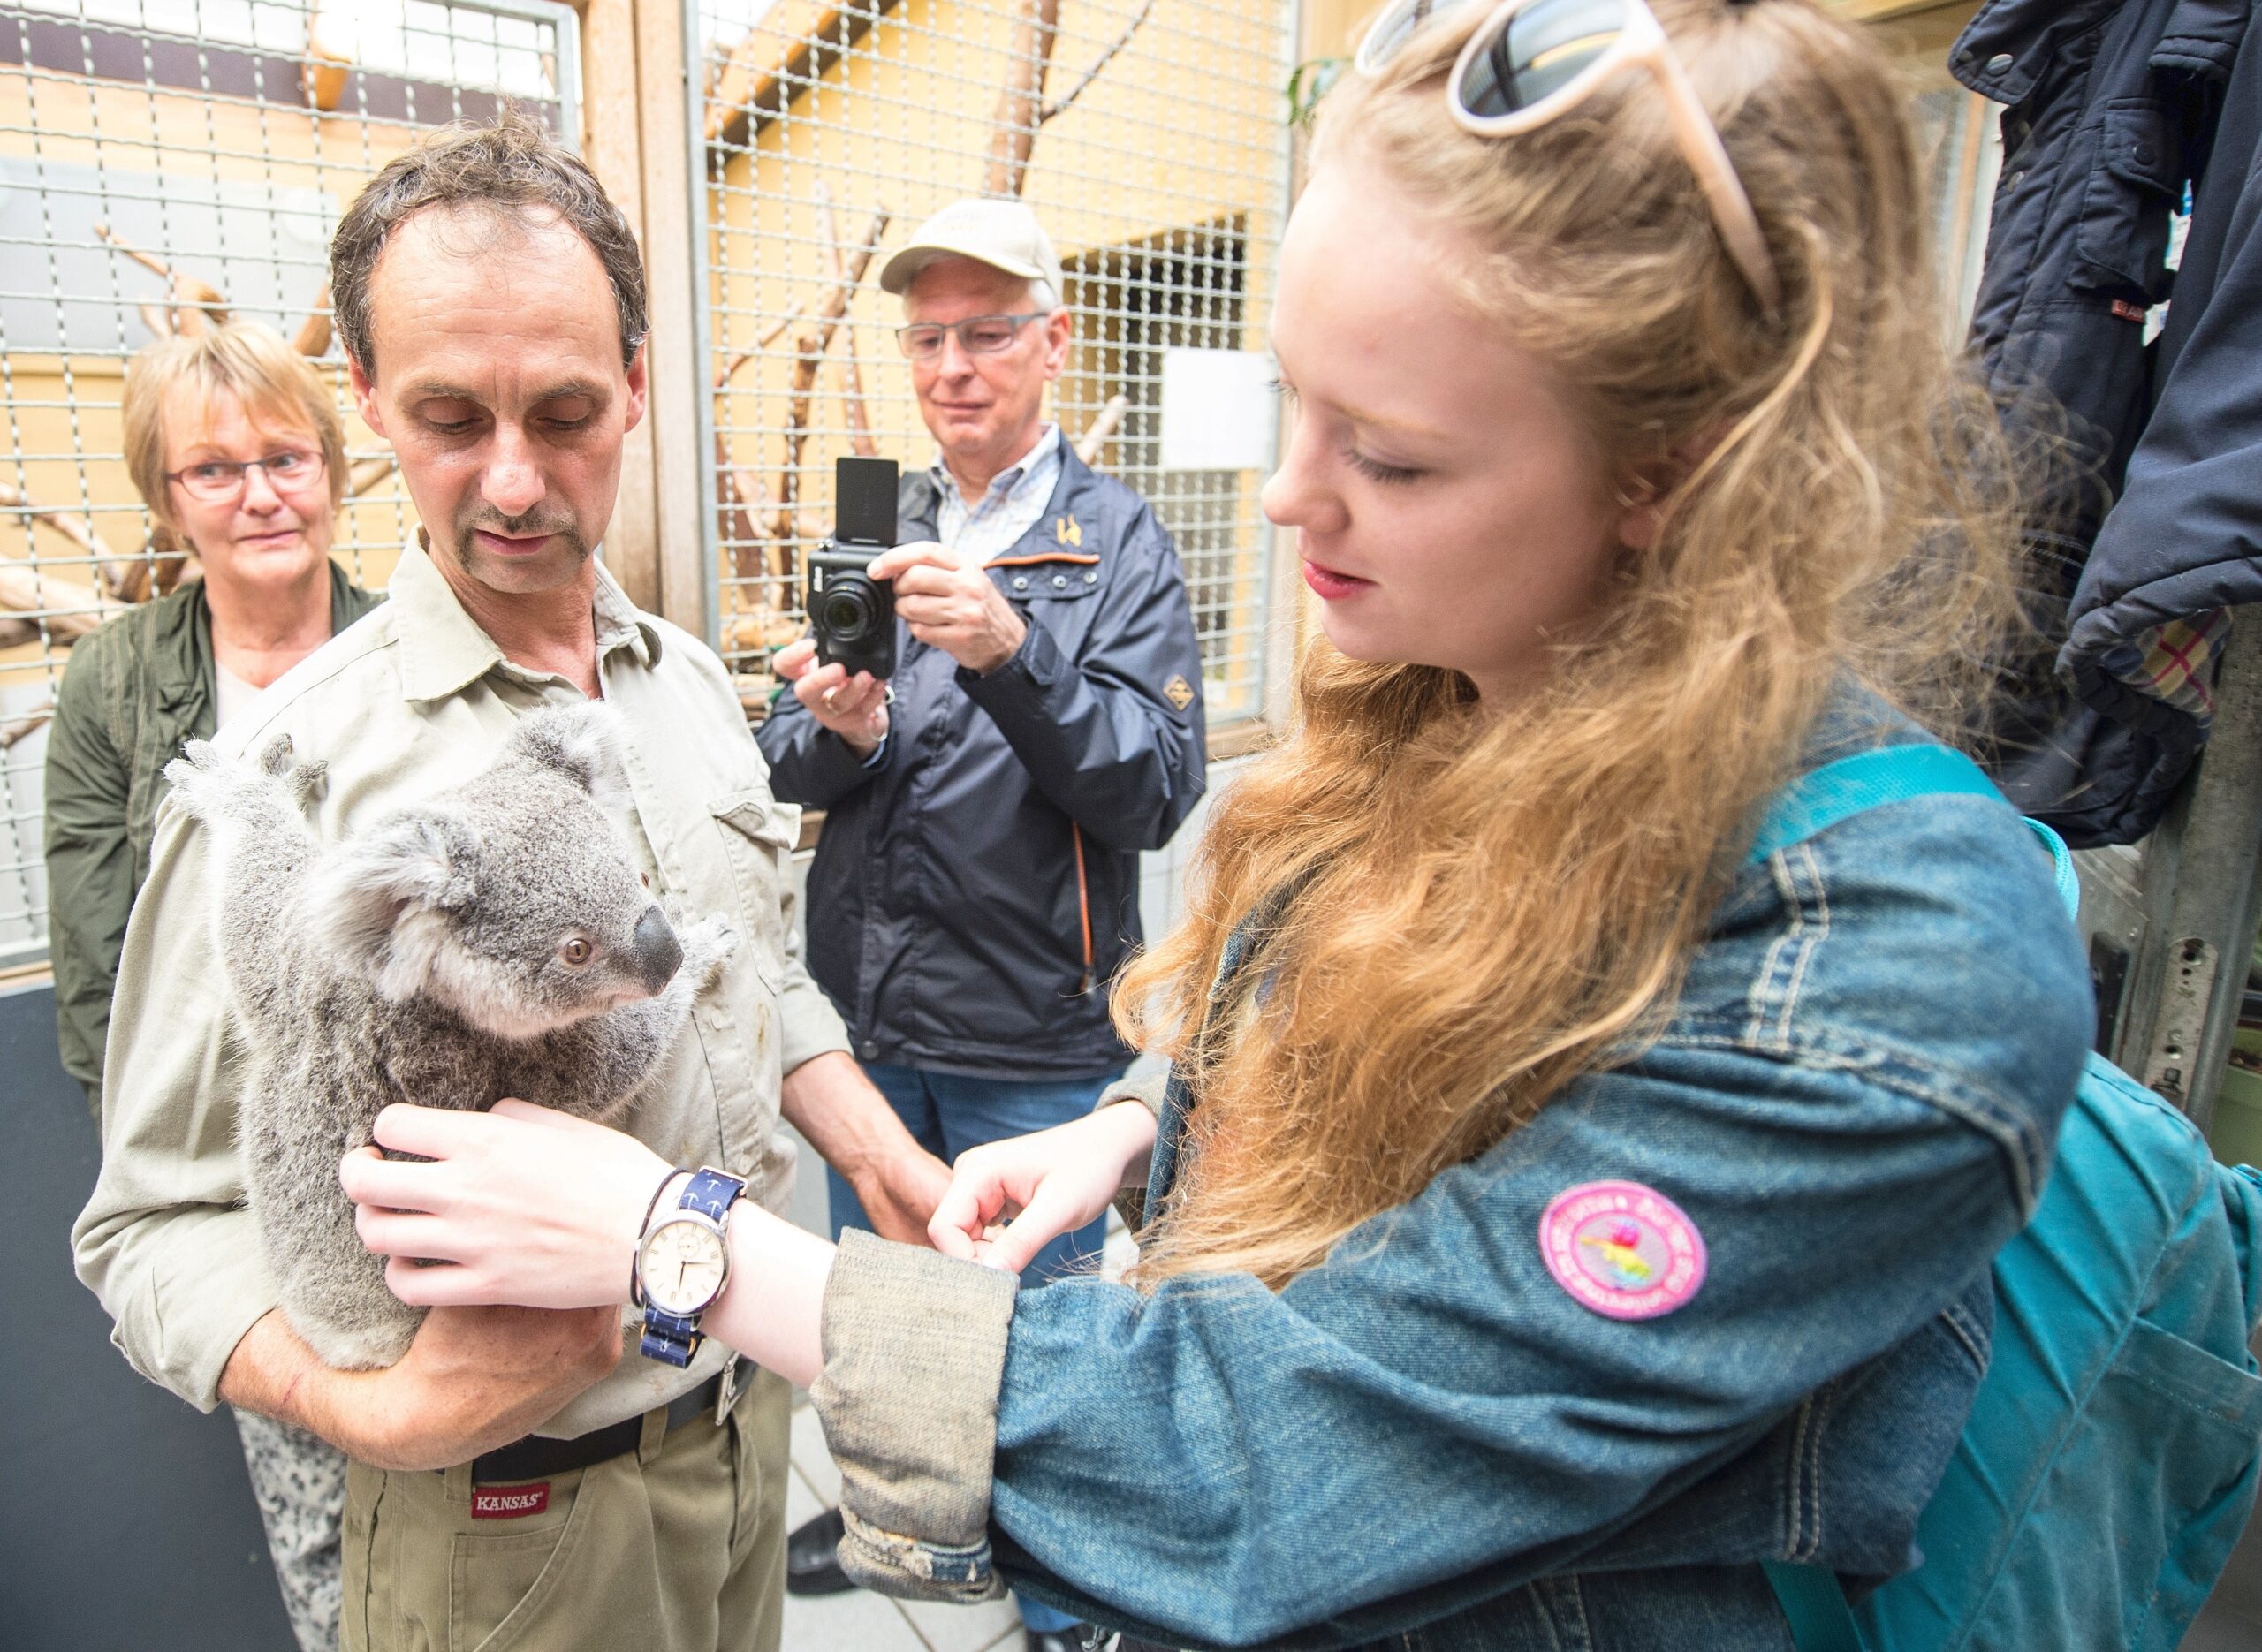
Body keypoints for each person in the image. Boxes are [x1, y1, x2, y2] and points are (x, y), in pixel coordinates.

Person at [332, 2, 2097, 1646]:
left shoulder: (1876, 962)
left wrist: (683, 1245)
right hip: (909, 1016)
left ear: (1675, 470)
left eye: (1390, 454)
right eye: (1290, 403)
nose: (1287, 494)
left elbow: (1281, 1438)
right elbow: (1329, 1023)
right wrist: (1131, 1116)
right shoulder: (1449, 679)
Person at [72, 113, 950, 1652]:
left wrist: (879, 1149)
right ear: (365, 404)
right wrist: (374, 1402)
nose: (516, 481)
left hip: (742, 1425)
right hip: (517, 1521)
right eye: (449, 418)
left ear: (635, 379)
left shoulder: (680, 685)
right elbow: (145, 1225)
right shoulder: (302, 778)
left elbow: (741, 960)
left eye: (563, 410)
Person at [754, 195, 1207, 1640]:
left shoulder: (1116, 542)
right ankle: (893, 1509)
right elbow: (789, 758)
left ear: (1051, 345)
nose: (953, 365)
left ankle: (1072, 1591)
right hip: (874, 1020)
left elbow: (1155, 791)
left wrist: (1016, 653)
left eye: (987, 333)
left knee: (1045, 1329)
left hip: (1039, 1028)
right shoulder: (871, 514)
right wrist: (836, 724)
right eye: (929, 337)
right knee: (881, 1302)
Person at [44, 318, 382, 1651]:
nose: (261, 494)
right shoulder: (119, 687)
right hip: (241, 1176)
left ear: (334, 468)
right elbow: (97, 984)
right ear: (165, 497)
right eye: (214, 469)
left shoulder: (411, 642)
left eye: (287, 457)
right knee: (323, 1531)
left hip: (409, 1141)